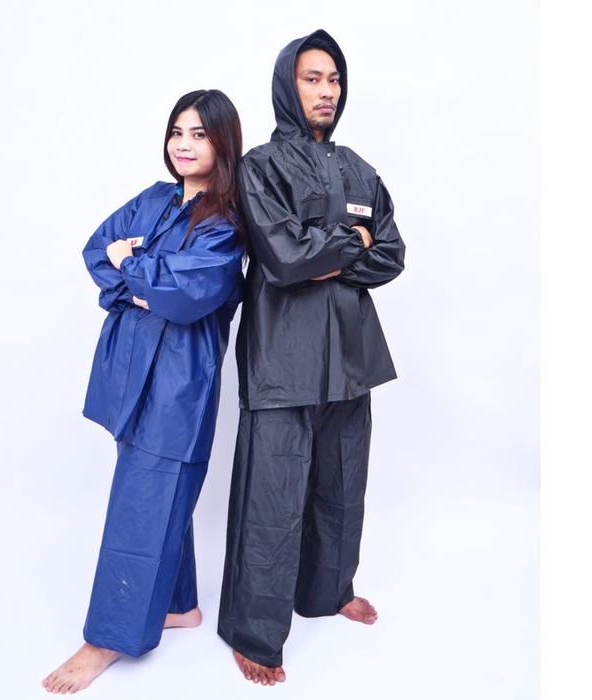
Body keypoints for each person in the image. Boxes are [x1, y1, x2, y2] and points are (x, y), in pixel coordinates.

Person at [217, 29, 406, 685]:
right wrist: (351, 241)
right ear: (286, 85)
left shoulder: (360, 169)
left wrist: (331, 248)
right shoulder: (260, 167)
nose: (327, 91)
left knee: (342, 486)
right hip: (283, 360)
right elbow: (284, 257)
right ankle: (253, 632)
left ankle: (328, 591)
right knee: (271, 499)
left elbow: (392, 255)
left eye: (334, 79)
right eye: (312, 78)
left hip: (352, 357)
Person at [42, 89, 245, 695]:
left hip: (179, 380)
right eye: (177, 131)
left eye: (199, 134)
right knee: (154, 491)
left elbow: (188, 294)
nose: (184, 144)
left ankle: (108, 637)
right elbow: (95, 251)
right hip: (129, 372)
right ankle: (180, 605)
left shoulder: (227, 220)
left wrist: (130, 267)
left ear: (223, 142)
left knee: (142, 502)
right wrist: (137, 278)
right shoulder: (153, 199)